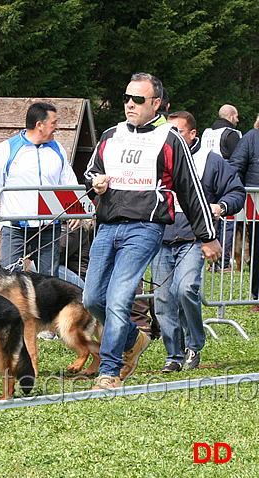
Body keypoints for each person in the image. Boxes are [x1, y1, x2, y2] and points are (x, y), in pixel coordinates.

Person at [83, 72, 221, 390]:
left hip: (145, 228)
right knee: (92, 299)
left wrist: (207, 236)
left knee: (119, 299)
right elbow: (90, 173)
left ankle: (110, 371)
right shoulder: (110, 135)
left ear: (156, 103)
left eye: (138, 99)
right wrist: (95, 183)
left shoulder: (170, 139)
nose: (130, 104)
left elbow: (190, 191)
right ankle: (134, 339)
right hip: (107, 226)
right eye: (126, 98)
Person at [152, 111, 245, 373]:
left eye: (178, 132)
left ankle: (194, 344)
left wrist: (221, 206)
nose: (171, 138)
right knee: (162, 298)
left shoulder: (211, 161)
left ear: (193, 134)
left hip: (194, 239)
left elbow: (236, 191)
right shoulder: (158, 159)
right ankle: (174, 354)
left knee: (185, 290)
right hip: (161, 239)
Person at [0, 102, 81, 276]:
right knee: (9, 279)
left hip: (48, 227)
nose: (57, 127)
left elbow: (69, 182)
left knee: (48, 282)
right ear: (39, 125)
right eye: (54, 123)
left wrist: (76, 209)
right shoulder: (7, 149)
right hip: (15, 228)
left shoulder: (57, 149)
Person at [202, 104, 243, 272]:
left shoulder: (206, 133)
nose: (238, 120)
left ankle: (212, 261)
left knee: (211, 221)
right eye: (237, 116)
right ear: (230, 116)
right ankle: (223, 262)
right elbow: (238, 159)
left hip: (206, 179)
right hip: (225, 181)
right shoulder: (232, 134)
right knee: (227, 223)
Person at [229, 113, 259, 312]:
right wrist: (237, 194)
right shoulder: (251, 138)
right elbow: (235, 167)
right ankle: (257, 296)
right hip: (256, 202)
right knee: (257, 250)